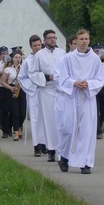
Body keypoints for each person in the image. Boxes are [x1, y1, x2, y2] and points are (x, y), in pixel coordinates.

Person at [54, 29, 104, 174]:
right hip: (72, 97)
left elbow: (100, 79)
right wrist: (74, 83)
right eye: (81, 39)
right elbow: (62, 78)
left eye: (86, 39)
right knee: (69, 129)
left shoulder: (95, 59)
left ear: (89, 40)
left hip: (87, 98)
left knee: (87, 130)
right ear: (76, 40)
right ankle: (64, 156)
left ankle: (86, 163)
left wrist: (89, 84)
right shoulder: (68, 58)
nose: (83, 41)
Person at [27, 29, 66, 162]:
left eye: (54, 37)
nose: (52, 40)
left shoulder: (62, 53)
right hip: (47, 89)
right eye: (49, 38)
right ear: (44, 40)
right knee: (49, 121)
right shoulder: (39, 55)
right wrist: (48, 77)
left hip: (61, 90)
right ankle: (50, 149)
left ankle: (62, 151)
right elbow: (32, 73)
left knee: (61, 121)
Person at [18, 35, 44, 156]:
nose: (37, 48)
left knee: (46, 118)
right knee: (35, 118)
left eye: (39, 45)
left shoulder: (46, 58)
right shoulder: (28, 61)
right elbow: (22, 78)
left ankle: (46, 144)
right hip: (33, 92)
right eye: (35, 46)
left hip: (46, 91)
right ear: (31, 47)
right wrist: (34, 86)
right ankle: (36, 146)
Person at [1, 49, 27, 141]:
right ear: (12, 59)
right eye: (16, 57)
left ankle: (19, 126)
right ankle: (16, 133)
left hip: (22, 89)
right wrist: (10, 88)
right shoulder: (8, 69)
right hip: (12, 89)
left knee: (22, 113)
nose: (18, 59)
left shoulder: (24, 68)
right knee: (15, 113)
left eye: (19, 57)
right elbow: (3, 82)